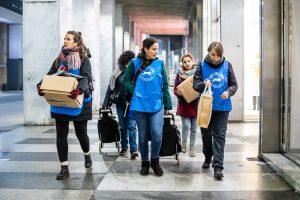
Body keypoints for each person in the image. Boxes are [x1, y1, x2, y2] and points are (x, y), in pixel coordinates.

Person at [37, 31, 93, 180]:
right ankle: (64, 168)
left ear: (76, 43)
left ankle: (87, 155)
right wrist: (41, 85)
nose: (65, 41)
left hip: (79, 100)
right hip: (61, 101)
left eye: (68, 39)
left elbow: (86, 77)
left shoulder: (83, 59)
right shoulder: (58, 60)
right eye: (64, 39)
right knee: (61, 135)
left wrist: (79, 89)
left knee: (81, 134)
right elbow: (49, 75)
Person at [123, 37, 172, 177]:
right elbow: (125, 80)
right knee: (143, 136)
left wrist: (167, 103)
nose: (156, 52)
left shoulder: (160, 63)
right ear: (145, 49)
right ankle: (145, 162)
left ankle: (155, 161)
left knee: (157, 134)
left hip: (156, 104)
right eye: (153, 49)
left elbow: (165, 84)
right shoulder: (134, 63)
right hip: (139, 104)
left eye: (157, 49)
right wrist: (135, 90)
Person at [193, 41, 238, 180]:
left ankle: (218, 167)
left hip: (222, 107)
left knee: (219, 136)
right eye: (213, 54)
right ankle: (208, 156)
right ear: (209, 52)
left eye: (218, 55)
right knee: (206, 135)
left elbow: (234, 84)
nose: (215, 58)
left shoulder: (227, 65)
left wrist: (229, 92)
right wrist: (203, 84)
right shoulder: (201, 65)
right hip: (206, 106)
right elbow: (195, 85)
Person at [102, 50, 139, 159]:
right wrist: (105, 103)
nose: (129, 65)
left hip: (132, 103)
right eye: (127, 62)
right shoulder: (117, 72)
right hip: (120, 104)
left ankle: (133, 149)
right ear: (123, 62)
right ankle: (124, 147)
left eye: (131, 62)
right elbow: (110, 88)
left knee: (132, 126)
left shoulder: (136, 72)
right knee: (123, 127)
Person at [174, 53, 198, 157]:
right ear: (182, 64)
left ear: (193, 61)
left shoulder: (198, 74)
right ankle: (183, 144)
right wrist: (177, 92)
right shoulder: (179, 74)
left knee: (194, 128)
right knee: (186, 126)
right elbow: (175, 88)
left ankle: (192, 148)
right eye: (185, 62)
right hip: (184, 104)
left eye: (189, 61)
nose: (187, 63)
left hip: (195, 104)